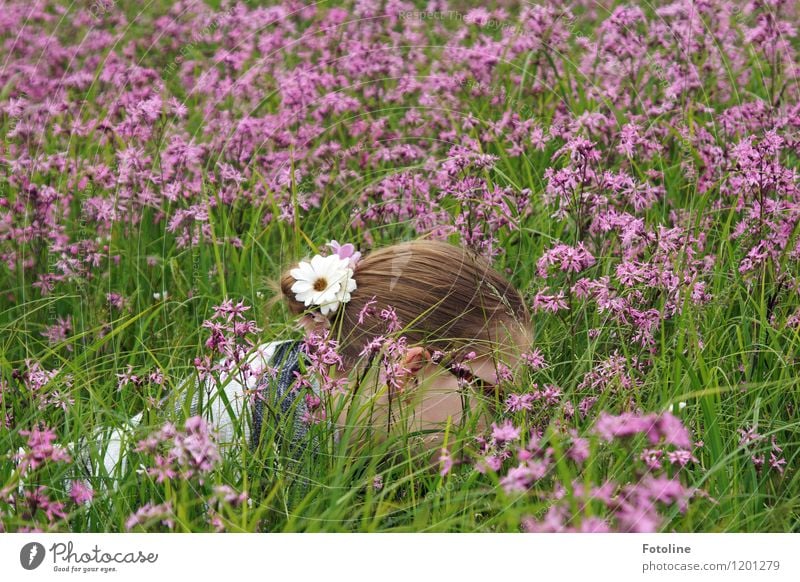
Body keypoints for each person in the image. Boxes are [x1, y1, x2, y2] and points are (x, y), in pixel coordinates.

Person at [74, 239, 533, 479]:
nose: (518, 421)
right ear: (408, 371)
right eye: (501, 394)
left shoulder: (332, 393)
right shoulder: (238, 432)